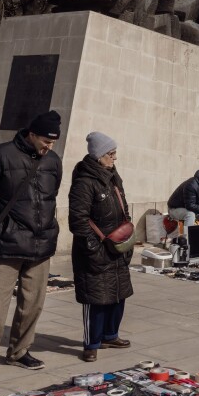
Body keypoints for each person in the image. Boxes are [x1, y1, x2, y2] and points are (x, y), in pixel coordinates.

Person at [0, 111, 63, 381]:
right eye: (45, 141)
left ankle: (20, 351)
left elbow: (50, 198)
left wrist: (49, 229)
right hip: (6, 244)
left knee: (33, 303)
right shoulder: (0, 156)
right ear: (31, 134)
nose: (49, 147)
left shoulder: (53, 162)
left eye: (53, 142)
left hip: (41, 243)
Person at [69, 132, 133, 363]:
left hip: (117, 247)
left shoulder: (114, 177)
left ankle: (110, 335)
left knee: (118, 295)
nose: (114, 158)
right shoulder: (84, 182)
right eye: (110, 154)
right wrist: (94, 248)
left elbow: (123, 206)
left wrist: (127, 236)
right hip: (95, 249)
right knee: (95, 299)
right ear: (98, 156)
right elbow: (78, 219)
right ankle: (92, 343)